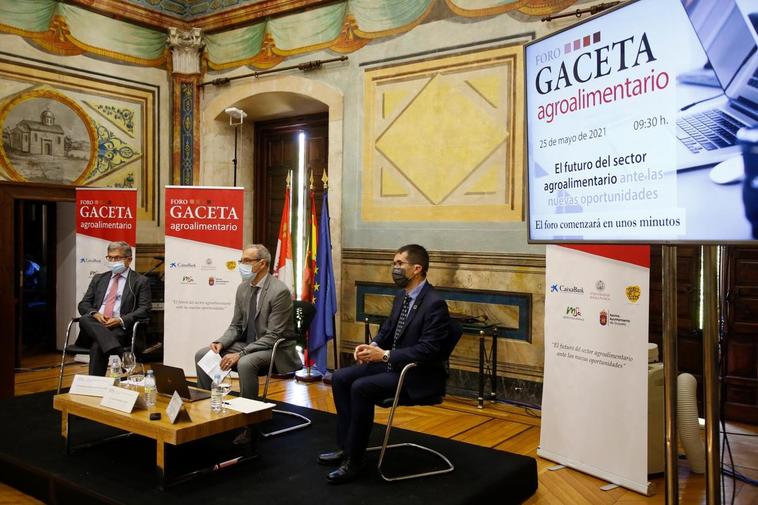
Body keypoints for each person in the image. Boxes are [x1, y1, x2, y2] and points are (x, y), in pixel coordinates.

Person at [319, 244, 450, 484]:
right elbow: (388, 330)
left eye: (400, 264)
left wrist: (386, 355)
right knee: (340, 377)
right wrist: (372, 346)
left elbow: (428, 350)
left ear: (417, 268)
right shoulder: (402, 296)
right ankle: (347, 446)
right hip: (393, 365)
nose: (395, 268)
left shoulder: (435, 304)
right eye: (394, 263)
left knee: (361, 387)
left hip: (417, 375)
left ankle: (355, 460)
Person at [194, 244, 301, 444]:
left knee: (245, 363)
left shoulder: (279, 292)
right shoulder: (243, 288)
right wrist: (220, 342)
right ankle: (205, 414)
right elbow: (236, 325)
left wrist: (240, 353)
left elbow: (273, 335)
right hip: (249, 343)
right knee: (203, 354)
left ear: (262, 264)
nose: (241, 265)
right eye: (241, 260)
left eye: (245, 261)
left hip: (275, 349)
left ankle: (249, 425)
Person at [76, 241, 151, 376]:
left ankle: (95, 385)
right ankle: (121, 354)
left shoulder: (140, 281)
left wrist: (120, 320)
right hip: (96, 324)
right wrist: (96, 314)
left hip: (120, 329)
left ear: (129, 260)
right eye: (109, 257)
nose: (112, 261)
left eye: (117, 258)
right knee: (85, 318)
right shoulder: (99, 279)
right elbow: (83, 304)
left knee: (99, 345)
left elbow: (144, 309)